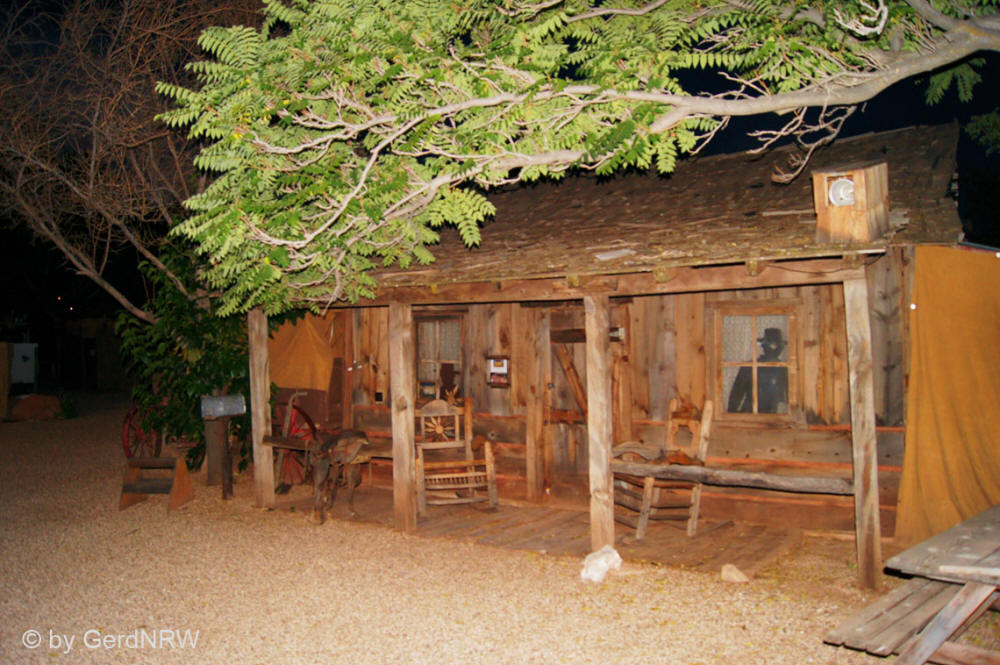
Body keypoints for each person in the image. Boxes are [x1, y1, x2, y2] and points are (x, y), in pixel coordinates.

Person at [726, 327, 789, 414]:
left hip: (775, 418)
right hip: (750, 416)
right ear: (763, 346)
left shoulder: (784, 369)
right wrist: (732, 418)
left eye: (777, 345)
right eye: (771, 345)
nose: (773, 349)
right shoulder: (749, 367)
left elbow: (790, 398)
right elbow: (736, 395)